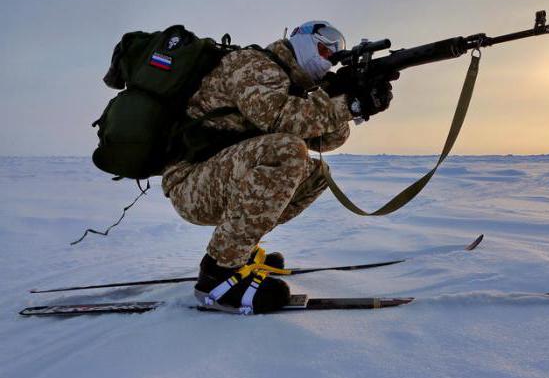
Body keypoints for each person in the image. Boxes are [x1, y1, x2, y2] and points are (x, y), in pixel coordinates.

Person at [160, 21, 394, 314]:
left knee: (316, 174)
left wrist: (348, 94)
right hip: (191, 182)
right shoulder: (252, 65)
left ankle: (238, 252)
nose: (328, 60)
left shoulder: (293, 87)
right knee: (286, 152)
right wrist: (349, 105)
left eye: (333, 56)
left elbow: (328, 139)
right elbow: (278, 119)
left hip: (220, 175)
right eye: (324, 49)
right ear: (302, 41)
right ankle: (217, 275)